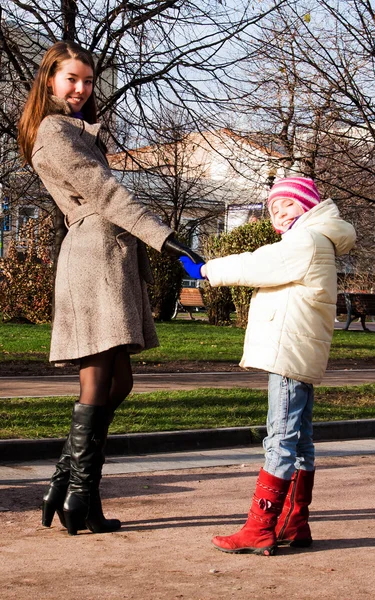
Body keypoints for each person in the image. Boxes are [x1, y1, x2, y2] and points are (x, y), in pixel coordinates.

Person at [18, 41, 202, 536]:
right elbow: (106, 194)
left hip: (106, 253)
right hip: (94, 255)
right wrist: (170, 242)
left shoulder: (73, 131)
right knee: (99, 377)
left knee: (118, 382)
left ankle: (67, 483)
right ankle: (81, 498)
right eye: (70, 79)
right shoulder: (54, 132)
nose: (80, 89)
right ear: (49, 80)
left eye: (88, 80)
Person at [200, 176, 356, 556]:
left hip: (290, 352)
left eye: (286, 203)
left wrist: (209, 270)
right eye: (272, 208)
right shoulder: (316, 240)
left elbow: (258, 264)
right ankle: (293, 523)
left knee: (280, 438)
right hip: (298, 350)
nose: (279, 212)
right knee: (300, 440)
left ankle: (259, 528)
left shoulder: (306, 240)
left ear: (307, 203)